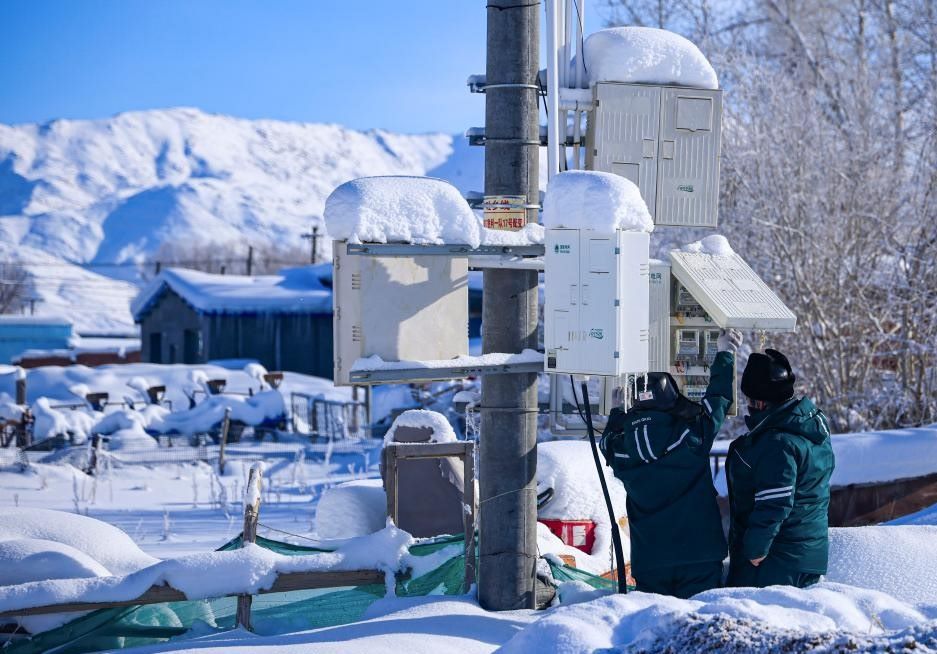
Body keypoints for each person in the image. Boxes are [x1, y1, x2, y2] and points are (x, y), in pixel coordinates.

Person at [600, 328, 741, 598]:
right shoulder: (689, 438)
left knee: (655, 632)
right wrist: (724, 353)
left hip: (650, 562)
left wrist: (617, 412)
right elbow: (717, 401)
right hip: (700, 555)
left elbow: (606, 444)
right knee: (698, 632)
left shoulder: (622, 454)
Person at [726, 348, 835, 588]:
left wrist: (755, 549)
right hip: (806, 554)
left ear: (760, 401)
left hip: (776, 559)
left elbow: (775, 502)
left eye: (750, 400)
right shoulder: (809, 428)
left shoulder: (778, 444)